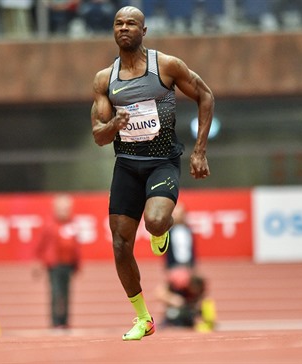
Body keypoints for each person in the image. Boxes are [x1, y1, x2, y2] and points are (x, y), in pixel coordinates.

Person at [90, 6, 214, 340]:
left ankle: (161, 233)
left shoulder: (167, 67)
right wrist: (114, 124)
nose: (124, 28)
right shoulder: (105, 80)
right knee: (119, 244)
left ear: (144, 31)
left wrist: (200, 150)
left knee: (156, 220)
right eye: (118, 23)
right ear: (113, 31)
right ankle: (143, 318)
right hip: (127, 165)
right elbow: (99, 136)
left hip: (162, 162)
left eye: (131, 23)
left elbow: (205, 95)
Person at [155, 204, 209, 329]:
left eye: (179, 213)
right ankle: (173, 312)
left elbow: (191, 250)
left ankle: (193, 313)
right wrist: (169, 269)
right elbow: (166, 251)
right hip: (175, 268)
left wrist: (192, 268)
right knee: (169, 290)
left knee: (195, 290)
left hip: (188, 267)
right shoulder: (169, 232)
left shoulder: (188, 231)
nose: (177, 215)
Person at [33, 194, 81, 329]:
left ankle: (64, 321)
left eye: (67, 208)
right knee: (56, 293)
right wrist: (38, 263)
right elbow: (40, 245)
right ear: (55, 209)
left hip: (68, 264)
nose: (64, 211)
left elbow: (76, 246)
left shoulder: (72, 224)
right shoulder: (49, 225)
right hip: (54, 265)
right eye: (62, 208)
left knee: (66, 294)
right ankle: (55, 322)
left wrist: (77, 264)